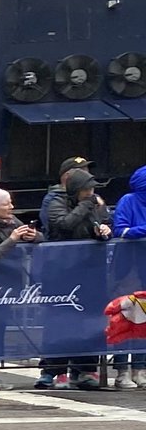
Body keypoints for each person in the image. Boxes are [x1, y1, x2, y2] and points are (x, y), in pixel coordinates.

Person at [39, 167, 111, 391]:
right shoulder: (57, 202)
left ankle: (84, 369)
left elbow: (105, 222)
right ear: (76, 190)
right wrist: (84, 206)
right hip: (61, 273)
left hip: (89, 272)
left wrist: (104, 230)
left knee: (89, 320)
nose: (90, 193)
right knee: (59, 321)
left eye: (92, 189)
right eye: (86, 189)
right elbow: (63, 225)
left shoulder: (95, 205)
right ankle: (53, 370)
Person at [0, 187, 42, 390]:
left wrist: (33, 236)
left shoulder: (12, 222)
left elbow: (41, 238)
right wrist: (11, 241)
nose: (11, 207)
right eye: (6, 203)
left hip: (8, 288)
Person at [111, 165, 146, 388]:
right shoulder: (128, 201)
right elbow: (121, 230)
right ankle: (122, 371)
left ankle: (140, 369)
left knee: (145, 320)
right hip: (128, 269)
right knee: (125, 318)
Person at [40, 157, 92, 232]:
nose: (88, 175)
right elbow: (51, 227)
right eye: (82, 172)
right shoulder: (53, 198)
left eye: (87, 171)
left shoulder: (89, 195)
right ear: (67, 175)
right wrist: (86, 204)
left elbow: (107, 221)